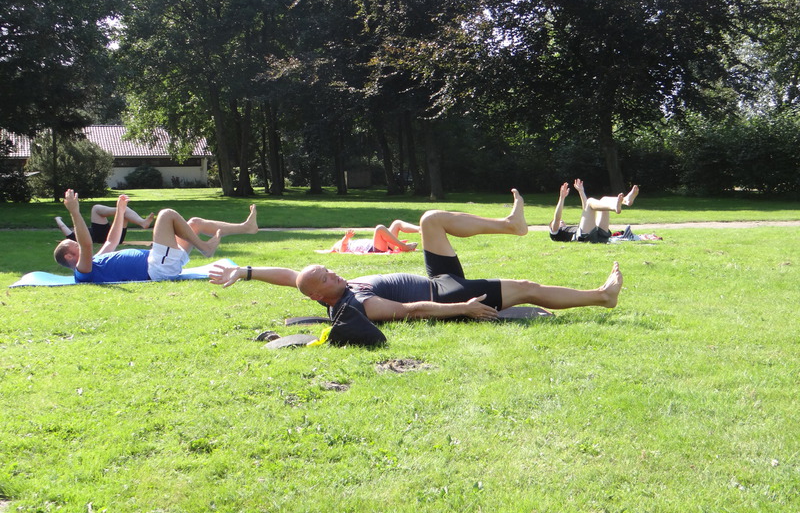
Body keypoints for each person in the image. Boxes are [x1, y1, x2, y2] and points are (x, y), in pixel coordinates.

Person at [209, 189, 623, 345]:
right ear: (321, 293)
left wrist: (245, 271)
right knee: (527, 287)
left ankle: (510, 225)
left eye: (328, 270)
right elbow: (412, 310)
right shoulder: (359, 305)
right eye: (327, 276)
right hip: (446, 294)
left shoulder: (325, 289)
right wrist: (464, 308)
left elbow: (292, 277)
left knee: (430, 220)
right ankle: (602, 297)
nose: (334, 272)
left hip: (435, 278)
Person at [54, 189, 259, 284]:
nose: (77, 243)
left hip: (160, 261)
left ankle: (246, 227)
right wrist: (74, 212)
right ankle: (205, 248)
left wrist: (120, 210)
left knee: (195, 223)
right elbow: (86, 244)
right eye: (73, 244)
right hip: (157, 268)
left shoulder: (97, 260)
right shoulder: (83, 271)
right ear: (69, 256)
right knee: (167, 214)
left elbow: (111, 240)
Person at [549, 179, 639, 244]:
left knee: (604, 199)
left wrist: (581, 191)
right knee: (590, 201)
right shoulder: (556, 233)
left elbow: (586, 209)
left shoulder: (571, 228)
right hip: (584, 238)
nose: (561, 221)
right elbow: (557, 218)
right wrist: (562, 198)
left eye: (562, 221)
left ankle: (625, 200)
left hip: (600, 236)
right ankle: (615, 206)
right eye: (559, 222)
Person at [55, 203, 155, 245]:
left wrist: (58, 219)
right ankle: (142, 222)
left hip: (117, 238)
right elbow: (62, 226)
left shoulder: (74, 236)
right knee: (96, 208)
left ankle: (142, 222)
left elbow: (63, 227)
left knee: (124, 211)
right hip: (103, 236)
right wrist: (57, 219)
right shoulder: (73, 237)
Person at [326, 220, 419, 253]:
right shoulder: (344, 248)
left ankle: (420, 229)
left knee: (397, 223)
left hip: (382, 245)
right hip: (375, 249)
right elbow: (343, 246)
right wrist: (346, 238)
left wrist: (394, 241)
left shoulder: (352, 243)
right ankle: (403, 247)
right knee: (380, 228)